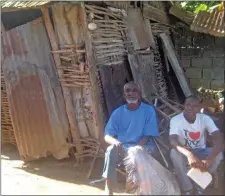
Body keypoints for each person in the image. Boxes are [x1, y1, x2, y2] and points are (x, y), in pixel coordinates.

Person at [102, 81, 159, 195]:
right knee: (110, 150)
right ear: (124, 94)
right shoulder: (118, 113)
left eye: (134, 90)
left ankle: (133, 190)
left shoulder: (148, 110)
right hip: (122, 147)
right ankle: (109, 188)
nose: (131, 93)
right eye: (128, 90)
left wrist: (136, 148)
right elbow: (107, 135)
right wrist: (116, 142)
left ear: (139, 94)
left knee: (135, 153)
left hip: (143, 146)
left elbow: (147, 136)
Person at [169, 96, 223, 195]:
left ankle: (199, 187)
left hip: (201, 151)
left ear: (199, 108)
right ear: (184, 105)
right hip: (184, 152)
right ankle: (187, 188)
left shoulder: (205, 119)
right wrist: (189, 154)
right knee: (174, 153)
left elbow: (218, 139)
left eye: (194, 106)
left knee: (218, 155)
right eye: (188, 105)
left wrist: (210, 159)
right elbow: (172, 140)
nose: (190, 108)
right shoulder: (176, 120)